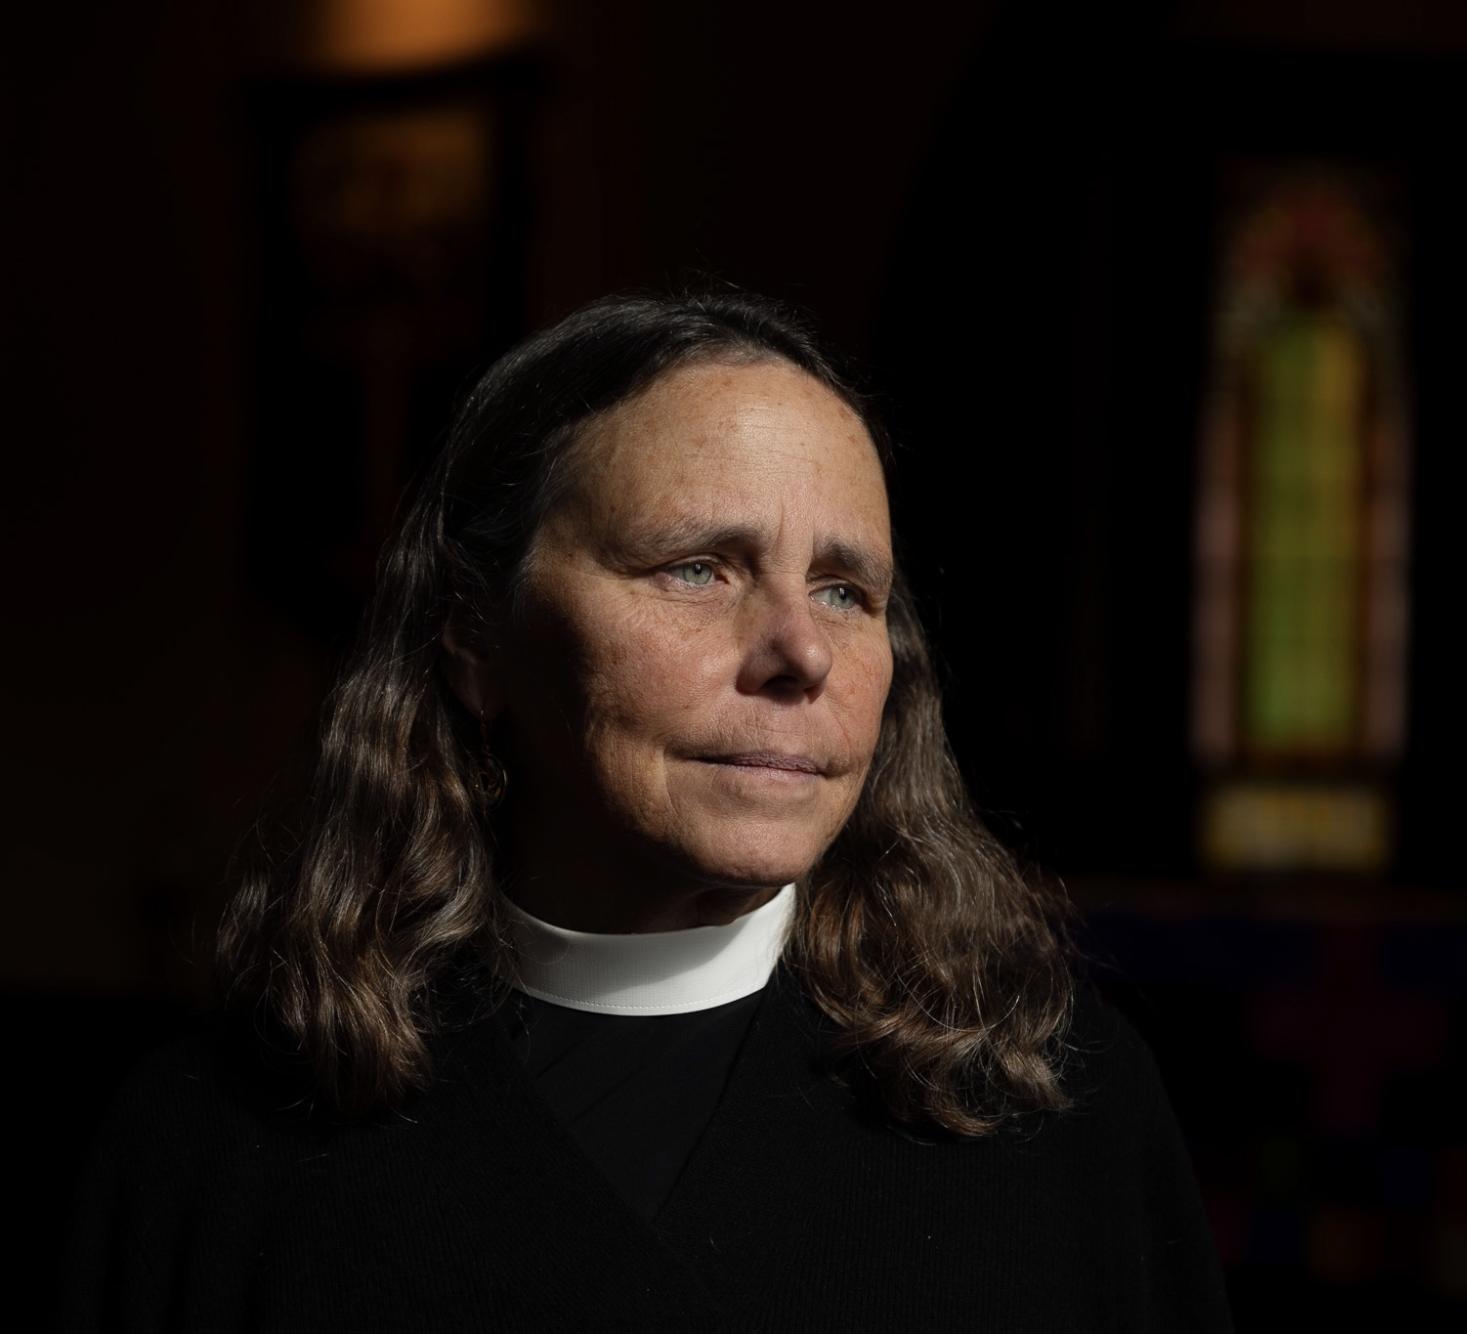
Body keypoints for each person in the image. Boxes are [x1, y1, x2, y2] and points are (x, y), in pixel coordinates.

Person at [61, 289, 1235, 1332]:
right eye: (697, 567)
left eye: (846, 588)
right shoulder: (215, 1147)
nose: (799, 651)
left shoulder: (1054, 1107)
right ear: (473, 635)